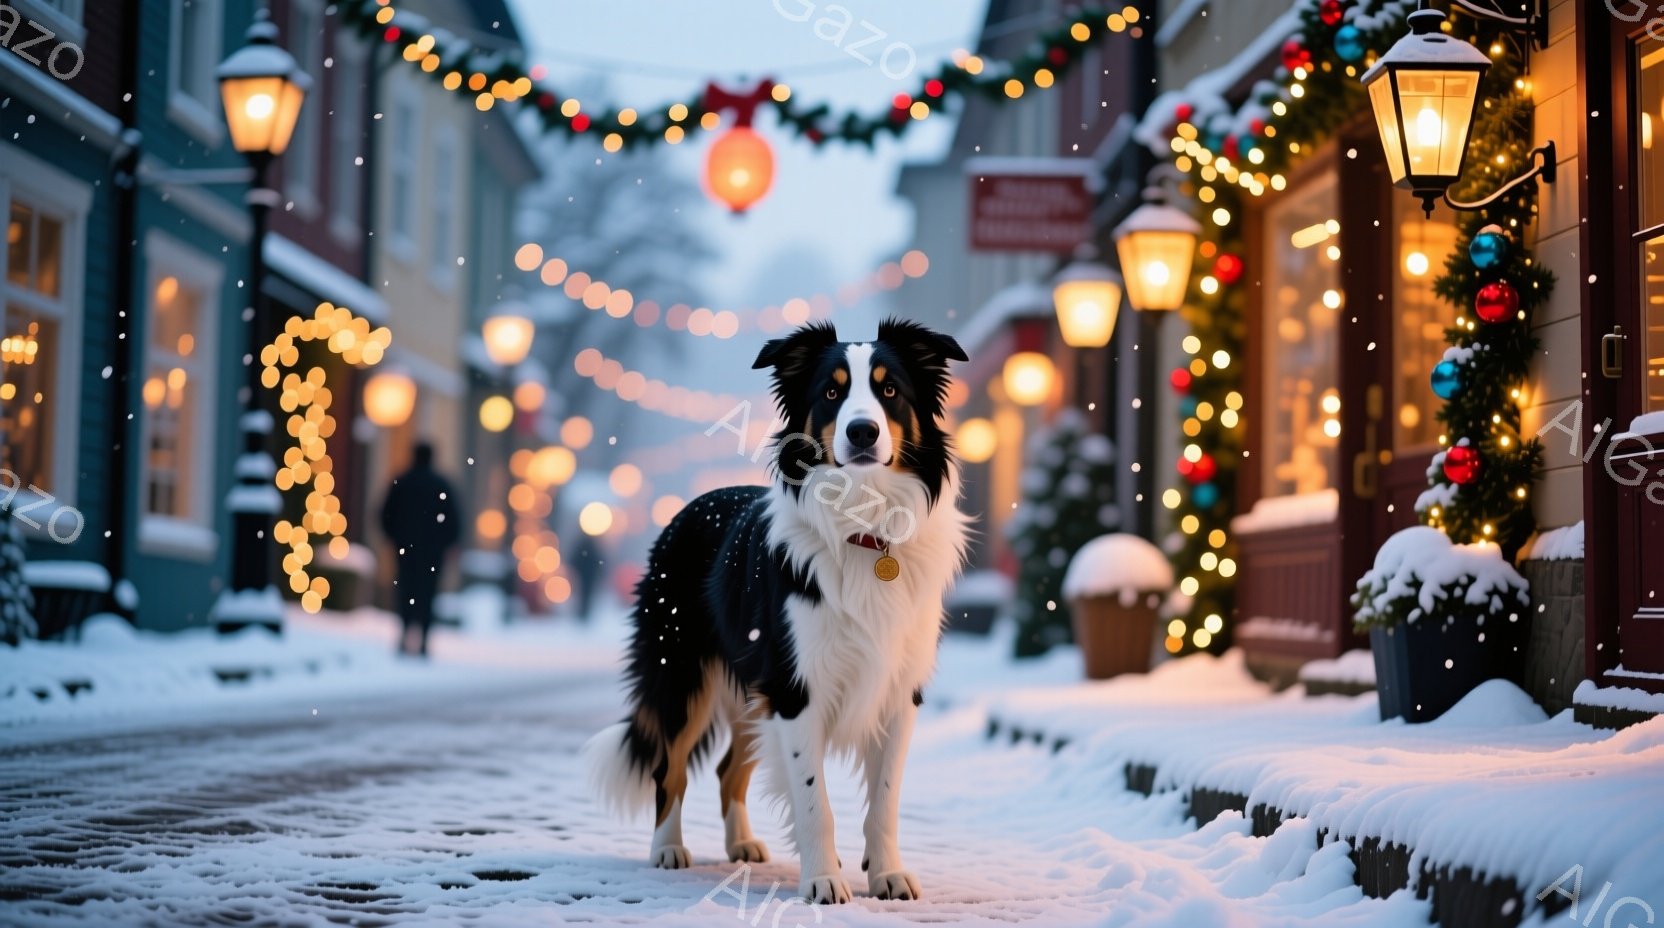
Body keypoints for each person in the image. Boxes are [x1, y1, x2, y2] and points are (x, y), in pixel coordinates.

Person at [379, 443, 460, 657]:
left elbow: (386, 514)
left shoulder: (402, 482)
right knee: (427, 593)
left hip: (406, 549)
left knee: (406, 591)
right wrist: (446, 544)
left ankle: (405, 633)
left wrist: (394, 538)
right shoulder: (440, 485)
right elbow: (452, 520)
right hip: (432, 551)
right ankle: (423, 638)